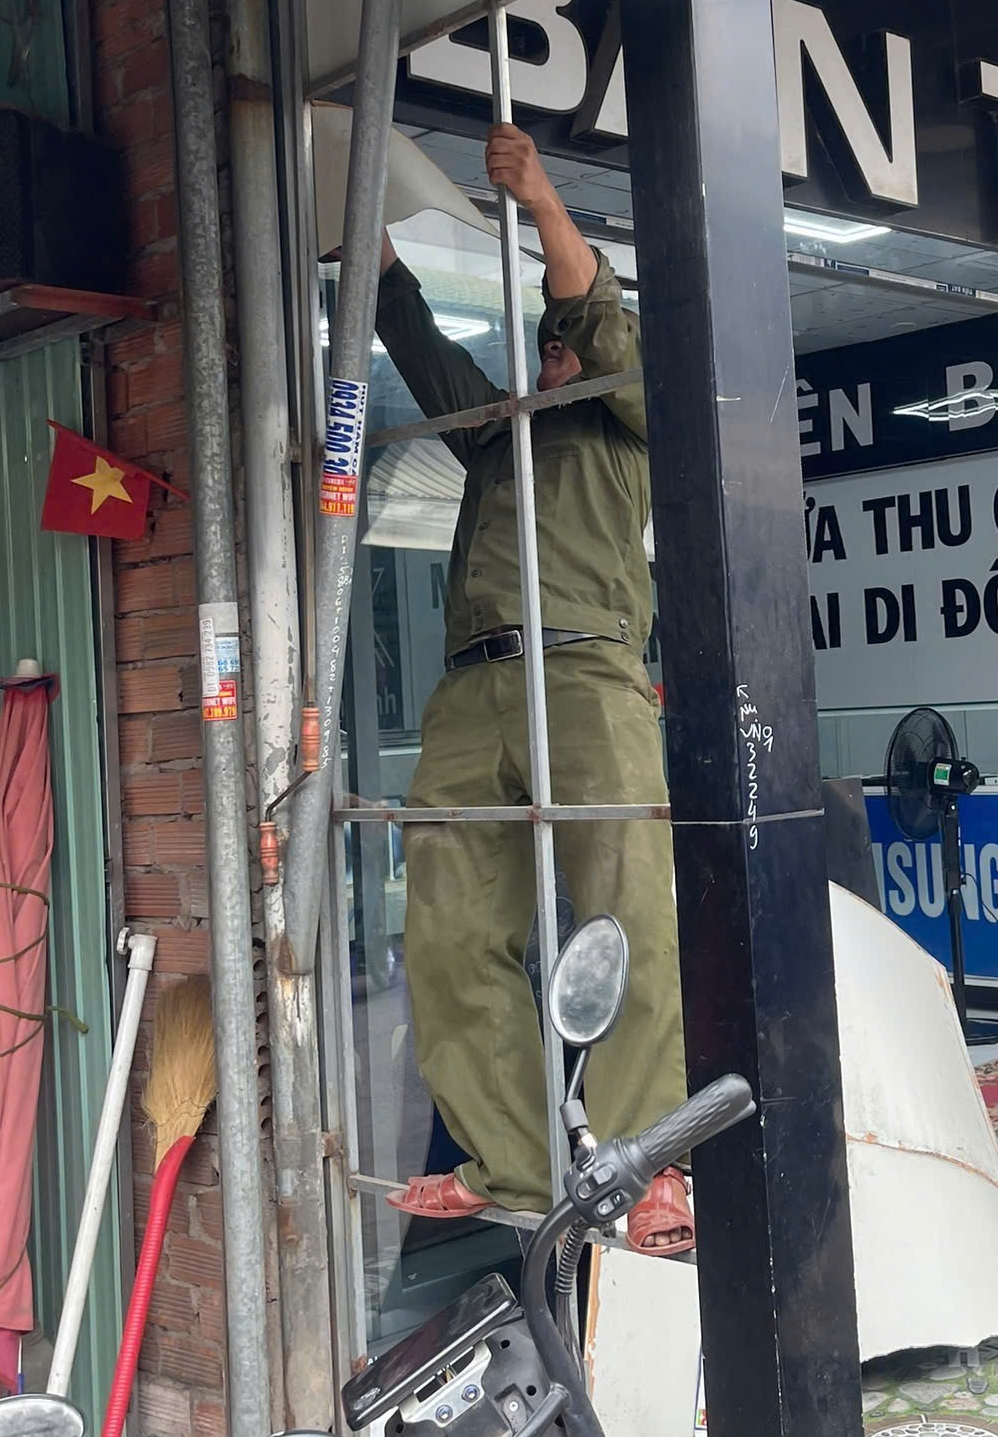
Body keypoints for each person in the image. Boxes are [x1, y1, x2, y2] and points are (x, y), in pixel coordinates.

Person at [366, 124, 693, 1255]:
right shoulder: (501, 435)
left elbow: (595, 315)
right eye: (548, 344)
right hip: (475, 685)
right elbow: (414, 341)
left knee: (628, 904)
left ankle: (648, 1159)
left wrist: (544, 197)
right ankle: (508, 1156)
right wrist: (362, 231)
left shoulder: (632, 420)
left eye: (565, 341)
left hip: (589, 667)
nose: (553, 354)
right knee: (449, 921)